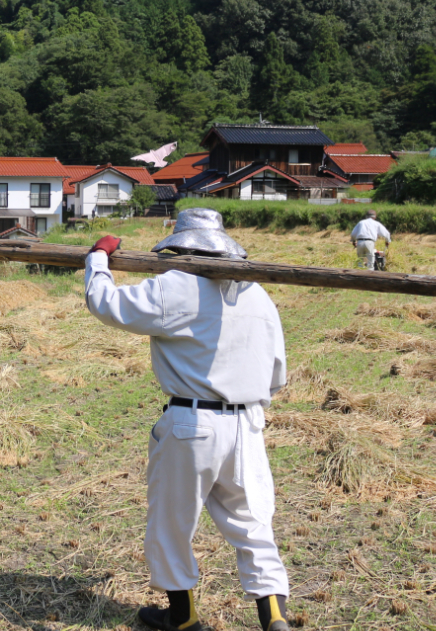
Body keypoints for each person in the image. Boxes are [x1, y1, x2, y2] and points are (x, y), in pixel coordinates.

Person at [84, 209, 290, 631]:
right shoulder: (257, 295)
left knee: (172, 525)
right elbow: (277, 373)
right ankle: (274, 619)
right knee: (253, 523)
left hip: (192, 424)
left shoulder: (176, 286)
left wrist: (98, 259)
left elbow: (105, 303)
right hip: (248, 425)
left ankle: (184, 619)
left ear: (180, 248)